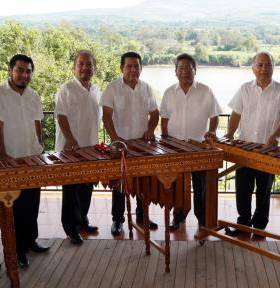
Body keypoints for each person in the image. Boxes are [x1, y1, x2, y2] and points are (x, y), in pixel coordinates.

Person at [225, 52, 280, 237]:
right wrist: (230, 133)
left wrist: (275, 136)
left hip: (268, 150)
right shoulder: (244, 89)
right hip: (244, 148)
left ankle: (260, 227)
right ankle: (242, 224)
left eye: (268, 65)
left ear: (273, 67)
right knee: (243, 189)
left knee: (264, 190)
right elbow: (236, 114)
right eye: (260, 65)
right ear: (253, 68)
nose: (264, 69)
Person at [160, 53, 222, 229]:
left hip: (198, 148)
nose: (185, 72)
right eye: (181, 68)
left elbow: (214, 116)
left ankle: (202, 221)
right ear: (175, 71)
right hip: (175, 148)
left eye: (189, 68)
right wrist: (165, 141)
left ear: (195, 71)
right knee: (177, 185)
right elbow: (164, 119)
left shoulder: (205, 90)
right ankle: (178, 217)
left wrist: (211, 131)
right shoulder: (169, 92)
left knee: (200, 187)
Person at [101, 51, 160, 236]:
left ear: (141, 68)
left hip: (142, 145)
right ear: (121, 68)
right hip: (121, 145)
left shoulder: (147, 88)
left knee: (144, 182)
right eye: (129, 66)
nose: (133, 69)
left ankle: (142, 216)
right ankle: (118, 220)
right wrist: (115, 139)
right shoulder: (112, 87)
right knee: (119, 184)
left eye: (136, 66)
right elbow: (106, 117)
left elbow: (155, 113)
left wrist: (151, 129)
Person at [0, 54, 50, 268]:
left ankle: (30, 241)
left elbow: (37, 123)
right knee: (14, 208)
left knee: (32, 202)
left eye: (28, 71)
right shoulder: (1, 94)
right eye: (20, 70)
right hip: (10, 159)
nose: (24, 74)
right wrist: (2, 156)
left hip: (32, 157)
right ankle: (17, 250)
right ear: (10, 70)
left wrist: (39, 147)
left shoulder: (34, 95)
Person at [55, 50, 101, 245]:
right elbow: (61, 116)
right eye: (81, 64)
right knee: (71, 190)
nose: (85, 68)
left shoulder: (97, 90)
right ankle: (71, 228)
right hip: (71, 149)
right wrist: (71, 139)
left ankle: (83, 221)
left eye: (89, 64)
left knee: (86, 188)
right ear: (75, 67)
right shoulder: (65, 89)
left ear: (94, 68)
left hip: (91, 148)